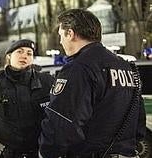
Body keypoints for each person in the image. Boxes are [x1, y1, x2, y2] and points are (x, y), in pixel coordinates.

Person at [39, 9, 146, 158]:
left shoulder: (79, 68)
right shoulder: (125, 66)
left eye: (61, 35)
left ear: (70, 33)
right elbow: (139, 121)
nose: (61, 41)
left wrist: (47, 152)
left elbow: (61, 124)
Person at [0, 39, 55, 158]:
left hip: (41, 152)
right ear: (9, 56)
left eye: (29, 53)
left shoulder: (47, 82)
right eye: (19, 52)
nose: (24, 56)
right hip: (7, 153)